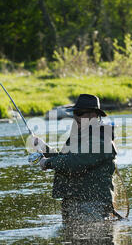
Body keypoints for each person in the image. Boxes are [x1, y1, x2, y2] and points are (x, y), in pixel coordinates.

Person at [32, 94, 120, 223]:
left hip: (92, 205)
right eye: (75, 113)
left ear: (94, 115)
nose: (75, 117)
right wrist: (44, 148)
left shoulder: (101, 141)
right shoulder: (81, 137)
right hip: (73, 204)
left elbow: (75, 163)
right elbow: (65, 158)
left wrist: (47, 163)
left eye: (79, 113)